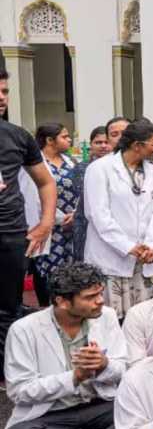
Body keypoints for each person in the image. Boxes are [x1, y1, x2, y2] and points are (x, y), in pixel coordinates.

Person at [1, 262, 126, 429]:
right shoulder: (23, 330)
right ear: (62, 301)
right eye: (91, 297)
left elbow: (124, 368)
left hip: (100, 405)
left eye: (100, 293)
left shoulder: (106, 315)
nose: (100, 300)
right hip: (50, 414)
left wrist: (104, 364)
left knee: (147, 414)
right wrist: (75, 377)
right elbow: (20, 391)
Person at [84, 118, 153, 319]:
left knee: (146, 319)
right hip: (111, 255)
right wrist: (128, 246)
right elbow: (98, 214)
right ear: (137, 145)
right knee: (110, 318)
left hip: (146, 258)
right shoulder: (100, 169)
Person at [32, 122, 78, 305]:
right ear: (50, 140)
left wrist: (75, 214)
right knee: (48, 269)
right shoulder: (36, 163)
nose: (69, 140)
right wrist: (58, 217)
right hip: (49, 225)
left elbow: (81, 190)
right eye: (64, 137)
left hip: (71, 225)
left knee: (71, 269)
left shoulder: (71, 162)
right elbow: (36, 194)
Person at [72, 125, 111, 262]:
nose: (103, 146)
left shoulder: (119, 168)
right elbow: (83, 196)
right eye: (98, 142)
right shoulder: (82, 168)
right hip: (86, 222)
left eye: (106, 142)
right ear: (91, 145)